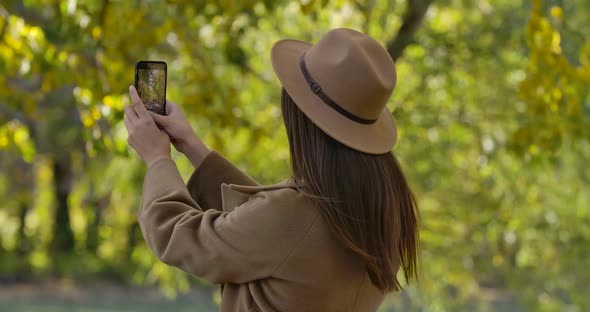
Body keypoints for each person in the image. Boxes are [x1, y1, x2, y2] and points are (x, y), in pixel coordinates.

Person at [124, 28, 420, 312]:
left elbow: (180, 238)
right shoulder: (385, 209)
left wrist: (157, 159)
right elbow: (268, 231)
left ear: (301, 116)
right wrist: (191, 146)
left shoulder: (293, 215)